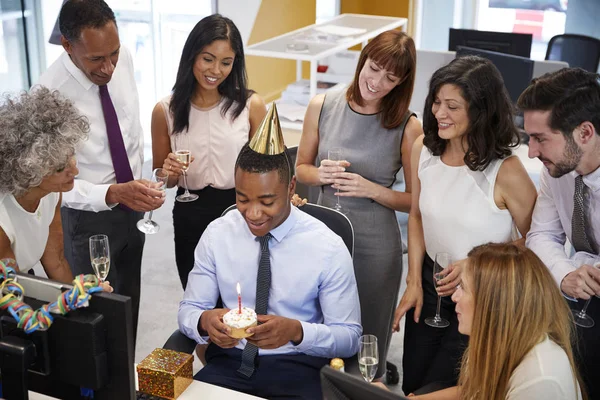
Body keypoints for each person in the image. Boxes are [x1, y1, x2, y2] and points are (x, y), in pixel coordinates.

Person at [178, 106, 361, 399]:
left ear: (290, 188)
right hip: (229, 364)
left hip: (300, 367)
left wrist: (296, 332)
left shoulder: (327, 247)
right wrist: (204, 321)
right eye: (242, 198)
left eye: (266, 201)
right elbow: (188, 310)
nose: (253, 213)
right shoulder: (218, 234)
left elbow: (349, 337)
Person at [392, 56, 537, 394]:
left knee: (452, 387)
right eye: (437, 102)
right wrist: (413, 280)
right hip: (432, 283)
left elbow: (538, 240)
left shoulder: (507, 170)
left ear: (480, 110)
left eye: (452, 106)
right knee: (414, 381)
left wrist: (477, 263)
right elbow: (416, 215)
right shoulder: (423, 150)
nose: (439, 113)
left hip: (482, 294)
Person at [295, 29, 422, 379]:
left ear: (402, 82)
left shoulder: (408, 127)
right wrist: (320, 175)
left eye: (390, 77)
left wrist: (372, 189)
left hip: (376, 248)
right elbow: (301, 167)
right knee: (317, 326)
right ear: (362, 59)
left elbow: (416, 202)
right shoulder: (322, 105)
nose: (377, 82)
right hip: (322, 237)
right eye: (374, 68)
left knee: (367, 338)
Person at [36, 0, 164, 338]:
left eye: (114, 54)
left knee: (128, 303)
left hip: (132, 206)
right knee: (92, 320)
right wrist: (109, 192)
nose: (109, 67)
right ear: (67, 45)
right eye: (96, 59)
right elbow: (47, 183)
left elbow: (129, 131)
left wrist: (139, 183)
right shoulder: (48, 95)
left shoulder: (121, 59)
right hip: (86, 218)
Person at [377, 243, 584, 400]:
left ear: (493, 302)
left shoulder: (540, 381)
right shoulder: (505, 338)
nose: (454, 297)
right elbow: (474, 389)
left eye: (463, 288)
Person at [152, 14, 267, 290]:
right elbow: (163, 179)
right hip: (190, 212)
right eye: (207, 59)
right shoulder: (165, 110)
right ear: (192, 55)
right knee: (198, 297)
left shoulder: (251, 106)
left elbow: (270, 170)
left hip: (238, 211)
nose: (215, 70)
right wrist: (165, 172)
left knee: (242, 298)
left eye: (226, 62)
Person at [518, 67, 600, 399]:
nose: (531, 152)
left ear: (585, 132)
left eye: (540, 138)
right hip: (579, 294)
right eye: (528, 137)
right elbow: (541, 235)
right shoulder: (556, 171)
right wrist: (566, 274)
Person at [0, 88, 107, 292]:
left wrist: (79, 302)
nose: (74, 170)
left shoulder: (51, 194)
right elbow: (13, 298)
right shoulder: (2, 222)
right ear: (27, 172)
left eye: (71, 156)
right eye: (60, 167)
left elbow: (56, 262)